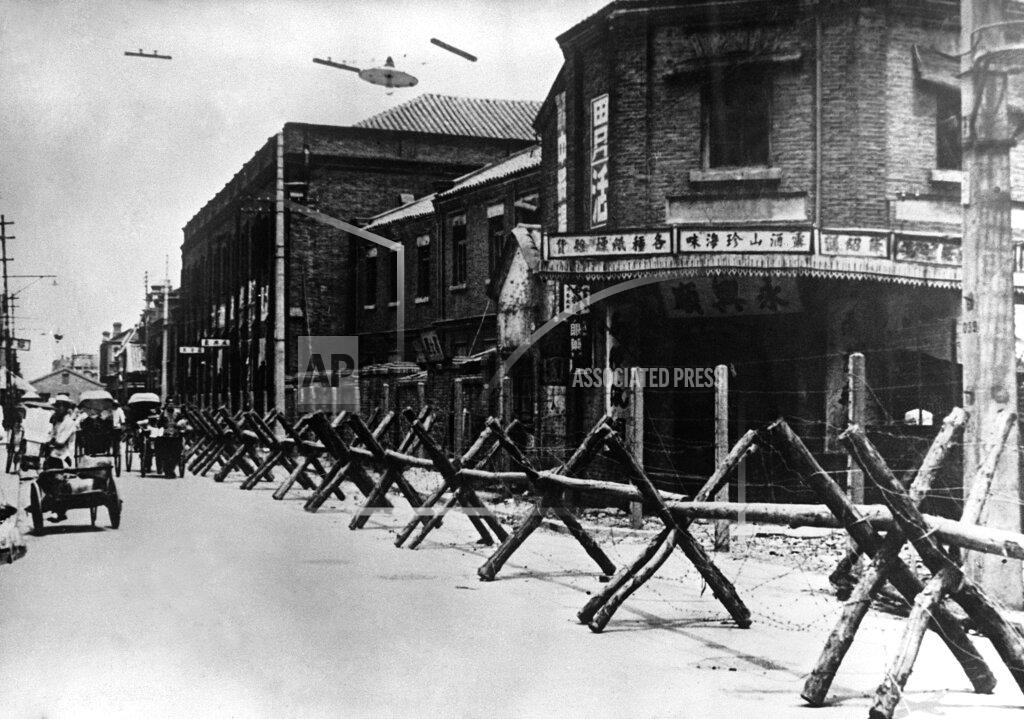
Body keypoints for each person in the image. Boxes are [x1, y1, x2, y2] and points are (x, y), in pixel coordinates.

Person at [42, 394, 80, 521]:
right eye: (56, 406)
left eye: (60, 406)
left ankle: (58, 509)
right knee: (43, 477)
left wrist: (50, 441)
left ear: (65, 407)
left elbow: (60, 442)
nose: (57, 409)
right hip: (54, 455)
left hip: (64, 457)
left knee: (53, 479)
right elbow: (50, 436)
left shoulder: (69, 423)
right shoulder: (56, 421)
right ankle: (53, 503)